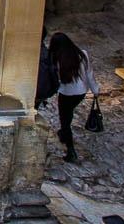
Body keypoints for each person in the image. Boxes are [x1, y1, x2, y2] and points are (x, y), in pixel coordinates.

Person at [46, 31, 98, 163]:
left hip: (66, 93)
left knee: (65, 119)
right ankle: (64, 133)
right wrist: (95, 90)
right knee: (68, 114)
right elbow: (89, 73)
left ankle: (71, 150)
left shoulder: (56, 59)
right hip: (81, 92)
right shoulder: (82, 54)